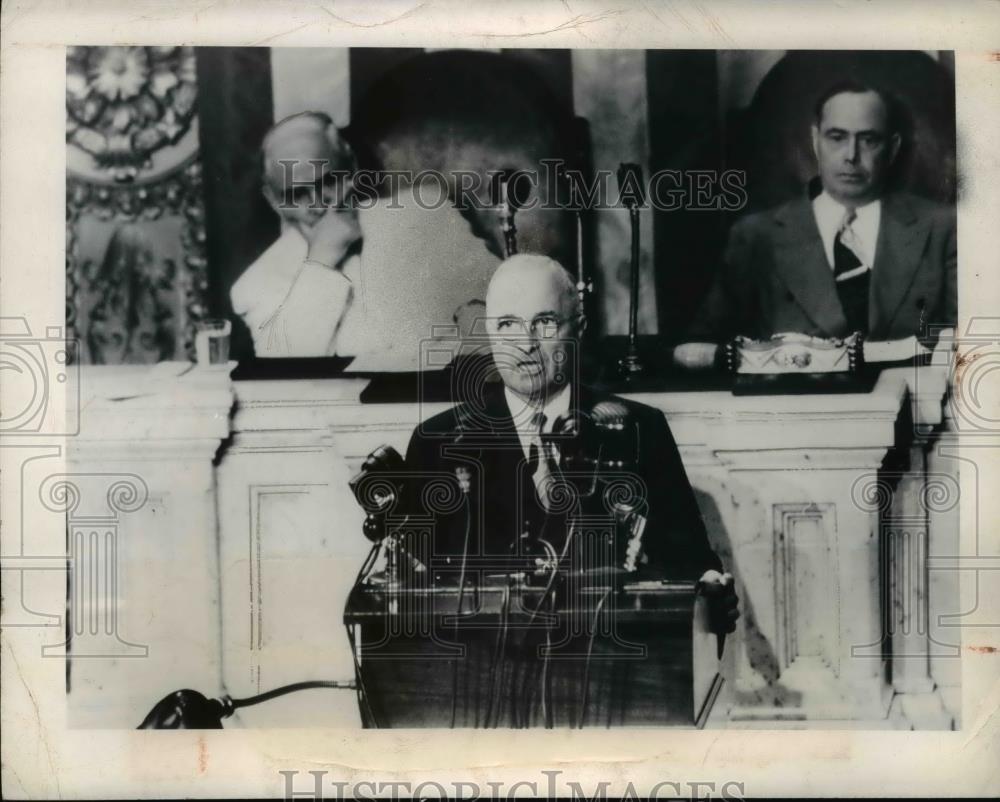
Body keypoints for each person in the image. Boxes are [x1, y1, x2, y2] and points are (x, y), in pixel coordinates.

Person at [403, 254, 737, 631]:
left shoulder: (640, 429)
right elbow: (413, 592)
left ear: (578, 329)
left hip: (616, 668)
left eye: (544, 323)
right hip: (480, 671)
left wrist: (709, 589)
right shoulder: (440, 443)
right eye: (508, 325)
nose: (525, 344)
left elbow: (692, 563)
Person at [676, 81, 957, 369]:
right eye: (836, 137)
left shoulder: (943, 228)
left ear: (893, 147)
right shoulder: (755, 236)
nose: (851, 155)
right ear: (815, 140)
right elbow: (698, 346)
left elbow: (966, 342)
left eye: (869, 139)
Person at [230, 112, 364, 357]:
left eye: (329, 182)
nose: (318, 205)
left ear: (352, 168)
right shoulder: (255, 287)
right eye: (298, 194)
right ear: (274, 201)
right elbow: (285, 370)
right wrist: (322, 259)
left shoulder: (426, 217)